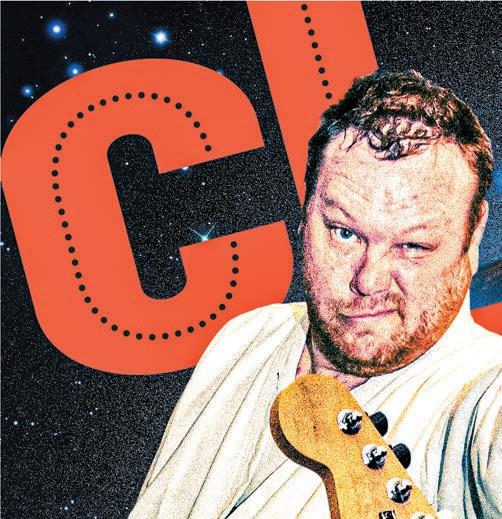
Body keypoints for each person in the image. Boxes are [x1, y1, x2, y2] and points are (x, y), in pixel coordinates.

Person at [129, 70, 501, 519]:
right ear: (305, 214)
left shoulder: (485, 392)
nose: (369, 280)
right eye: (344, 232)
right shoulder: (246, 336)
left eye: (412, 246)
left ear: (473, 235)